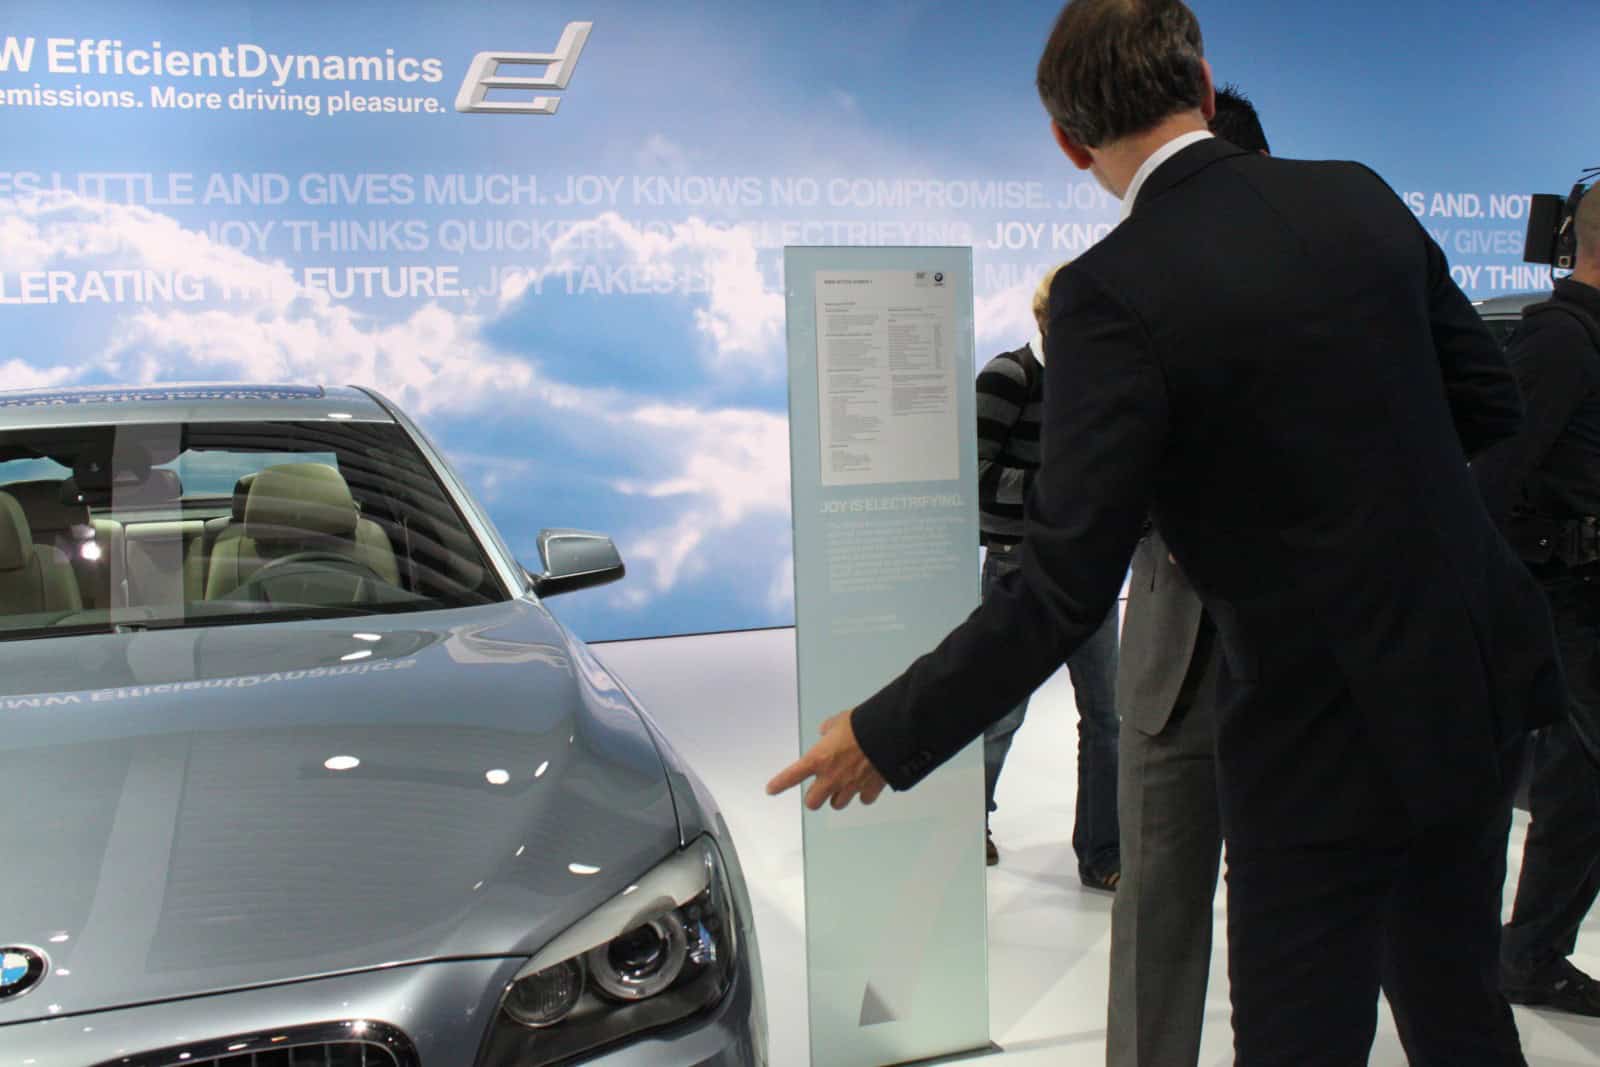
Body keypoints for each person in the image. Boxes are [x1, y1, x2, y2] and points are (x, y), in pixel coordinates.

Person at [768, 2, 1566, 1064]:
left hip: (1318, 721)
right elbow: (1488, 401)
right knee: (1456, 1001)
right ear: (1201, 84)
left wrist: (887, 728)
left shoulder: (1108, 292)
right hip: (1474, 674)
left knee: (1298, 1030)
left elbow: (1060, 586)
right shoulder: (1357, 194)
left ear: (1069, 142)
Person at [1106, 82, 1266, 1067]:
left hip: (1300, 662)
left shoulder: (1325, 300)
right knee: (1155, 913)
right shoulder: (1127, 303)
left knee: (1286, 921)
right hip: (1170, 659)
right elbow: (1095, 498)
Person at [1473, 183, 1600, 1017]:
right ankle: (1527, 953)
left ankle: (1531, 953)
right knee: (1577, 777)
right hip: (1566, 599)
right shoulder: (1560, 340)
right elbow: (1495, 474)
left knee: (1577, 783)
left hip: (1583, 598)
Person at [977, 264, 1121, 886]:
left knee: (1108, 718)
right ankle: (966, 824)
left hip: (1091, 567)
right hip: (1020, 565)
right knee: (1001, 713)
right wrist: (1065, 490)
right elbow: (974, 478)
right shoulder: (1007, 376)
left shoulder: (1100, 383)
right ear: (1046, 321)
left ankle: (1103, 853)